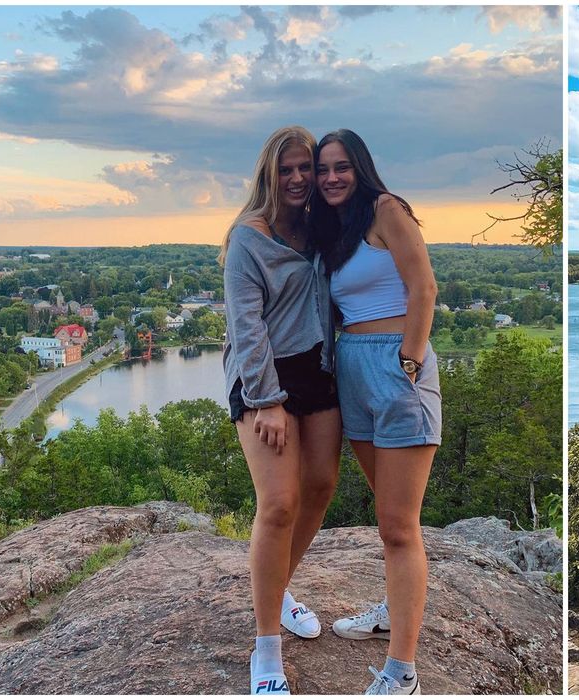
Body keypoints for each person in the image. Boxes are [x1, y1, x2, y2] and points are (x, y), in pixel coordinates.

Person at [312, 129, 440, 696]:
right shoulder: (335, 230)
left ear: (360, 168)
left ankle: (402, 672)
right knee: (385, 515)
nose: (331, 177)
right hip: (352, 372)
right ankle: (392, 612)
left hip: (394, 368)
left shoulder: (387, 209)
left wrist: (408, 362)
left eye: (341, 167)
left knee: (398, 525)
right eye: (323, 170)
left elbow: (424, 288)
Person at [219, 126, 342, 695]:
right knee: (278, 504)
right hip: (264, 373)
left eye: (305, 169)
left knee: (319, 486)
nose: (297, 178)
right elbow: (245, 327)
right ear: (269, 174)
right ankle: (265, 650)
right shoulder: (249, 238)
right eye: (286, 169)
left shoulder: (319, 228)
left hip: (318, 367)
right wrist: (265, 399)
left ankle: (279, 588)